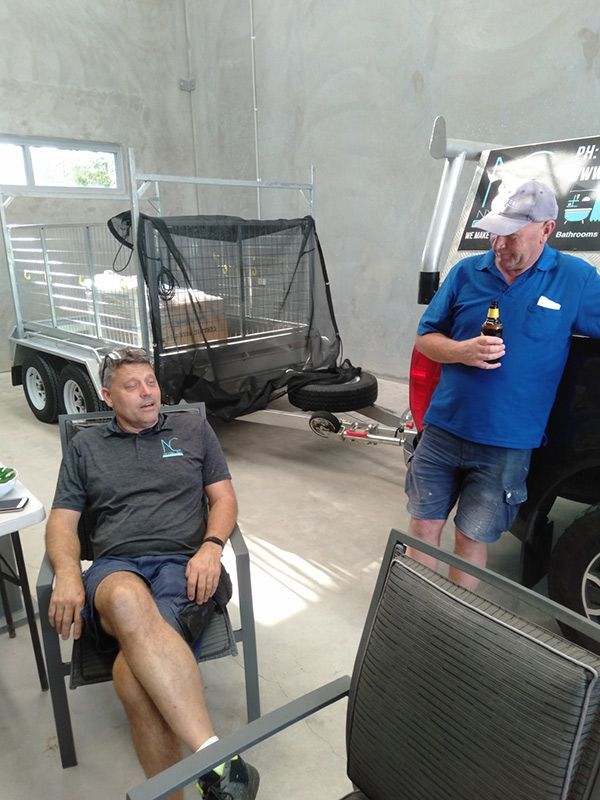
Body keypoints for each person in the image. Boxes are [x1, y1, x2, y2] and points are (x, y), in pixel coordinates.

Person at [46, 346, 259, 800]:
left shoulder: (192, 428)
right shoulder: (86, 448)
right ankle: (216, 760)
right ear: (107, 397)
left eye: (152, 383)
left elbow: (223, 499)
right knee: (124, 598)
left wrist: (211, 547)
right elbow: (63, 522)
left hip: (184, 566)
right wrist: (66, 573)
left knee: (134, 676)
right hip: (115, 567)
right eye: (132, 386)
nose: (147, 394)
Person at [405, 178, 600, 588]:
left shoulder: (575, 280)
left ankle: (454, 621)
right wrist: (461, 351)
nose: (498, 243)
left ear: (547, 229)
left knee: (470, 538)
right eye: (494, 231)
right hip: (442, 430)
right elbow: (426, 338)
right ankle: (411, 616)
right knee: (423, 529)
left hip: (507, 445)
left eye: (511, 234)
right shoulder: (466, 272)